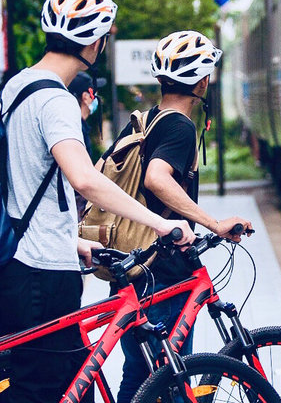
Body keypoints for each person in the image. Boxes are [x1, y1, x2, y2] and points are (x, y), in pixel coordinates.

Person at [0, 0, 194, 403]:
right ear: (93, 41)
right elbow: (83, 179)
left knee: (41, 388)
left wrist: (72, 240)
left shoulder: (17, 85)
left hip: (17, 261)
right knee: (60, 392)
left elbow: (27, 182)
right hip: (41, 273)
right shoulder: (57, 100)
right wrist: (160, 222)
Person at [107, 29, 254, 403]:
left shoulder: (147, 119)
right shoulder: (180, 125)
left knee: (140, 378)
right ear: (203, 81)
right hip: (163, 269)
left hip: (135, 263)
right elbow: (157, 177)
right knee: (170, 379)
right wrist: (212, 223)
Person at [67, 70, 107, 157]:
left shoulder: (73, 125)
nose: (97, 97)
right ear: (85, 97)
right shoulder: (77, 130)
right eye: (94, 93)